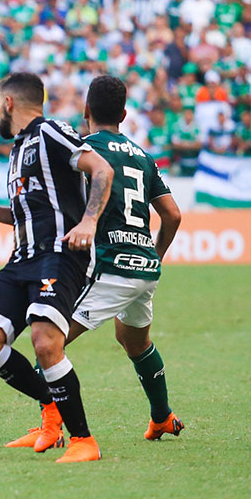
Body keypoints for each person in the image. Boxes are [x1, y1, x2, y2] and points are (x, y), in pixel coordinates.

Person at [0, 73, 113, 463]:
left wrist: (89, 222)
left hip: (60, 255)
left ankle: (84, 440)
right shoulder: (18, 150)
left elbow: (102, 169)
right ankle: (51, 408)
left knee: (46, 342)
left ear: (8, 103)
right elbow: (33, 208)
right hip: (22, 258)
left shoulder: (49, 131)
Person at [70, 75, 184, 440]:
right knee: (135, 342)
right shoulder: (142, 155)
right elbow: (173, 215)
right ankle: (162, 416)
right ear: (123, 113)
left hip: (109, 265)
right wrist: (154, 255)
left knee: (48, 339)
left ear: (86, 111)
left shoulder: (82, 149)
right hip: (144, 267)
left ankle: (51, 426)